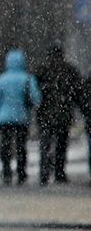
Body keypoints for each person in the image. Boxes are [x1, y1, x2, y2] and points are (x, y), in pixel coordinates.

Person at [0, 49, 41, 185]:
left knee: (5, 146)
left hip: (4, 118)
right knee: (21, 146)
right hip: (21, 117)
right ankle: (21, 173)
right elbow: (36, 98)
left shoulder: (1, 79)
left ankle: (6, 172)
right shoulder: (28, 78)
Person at [34, 43, 81, 184]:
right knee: (61, 144)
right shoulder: (69, 70)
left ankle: (44, 172)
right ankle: (59, 172)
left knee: (45, 144)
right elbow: (77, 92)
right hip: (63, 114)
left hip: (45, 114)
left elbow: (34, 90)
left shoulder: (42, 70)